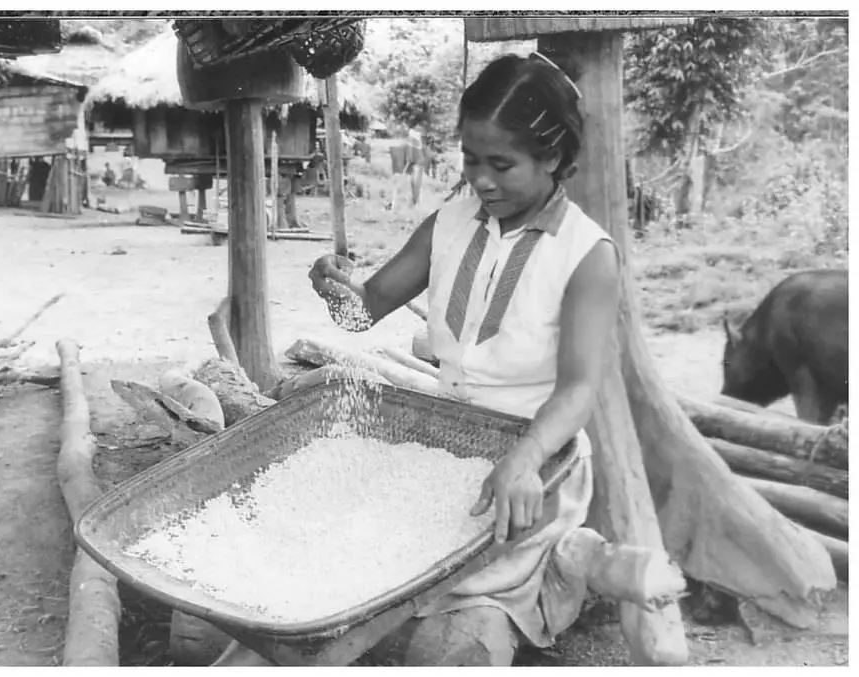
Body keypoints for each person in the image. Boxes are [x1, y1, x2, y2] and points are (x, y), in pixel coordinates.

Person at [213, 54, 674, 668]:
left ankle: (551, 569)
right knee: (354, 541)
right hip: (441, 445)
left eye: (501, 165)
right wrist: (336, 290)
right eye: (470, 159)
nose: (481, 180)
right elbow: (364, 312)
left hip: (535, 464)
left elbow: (578, 389)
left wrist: (524, 460)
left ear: (553, 157)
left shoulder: (587, 254)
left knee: (430, 582)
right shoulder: (451, 223)